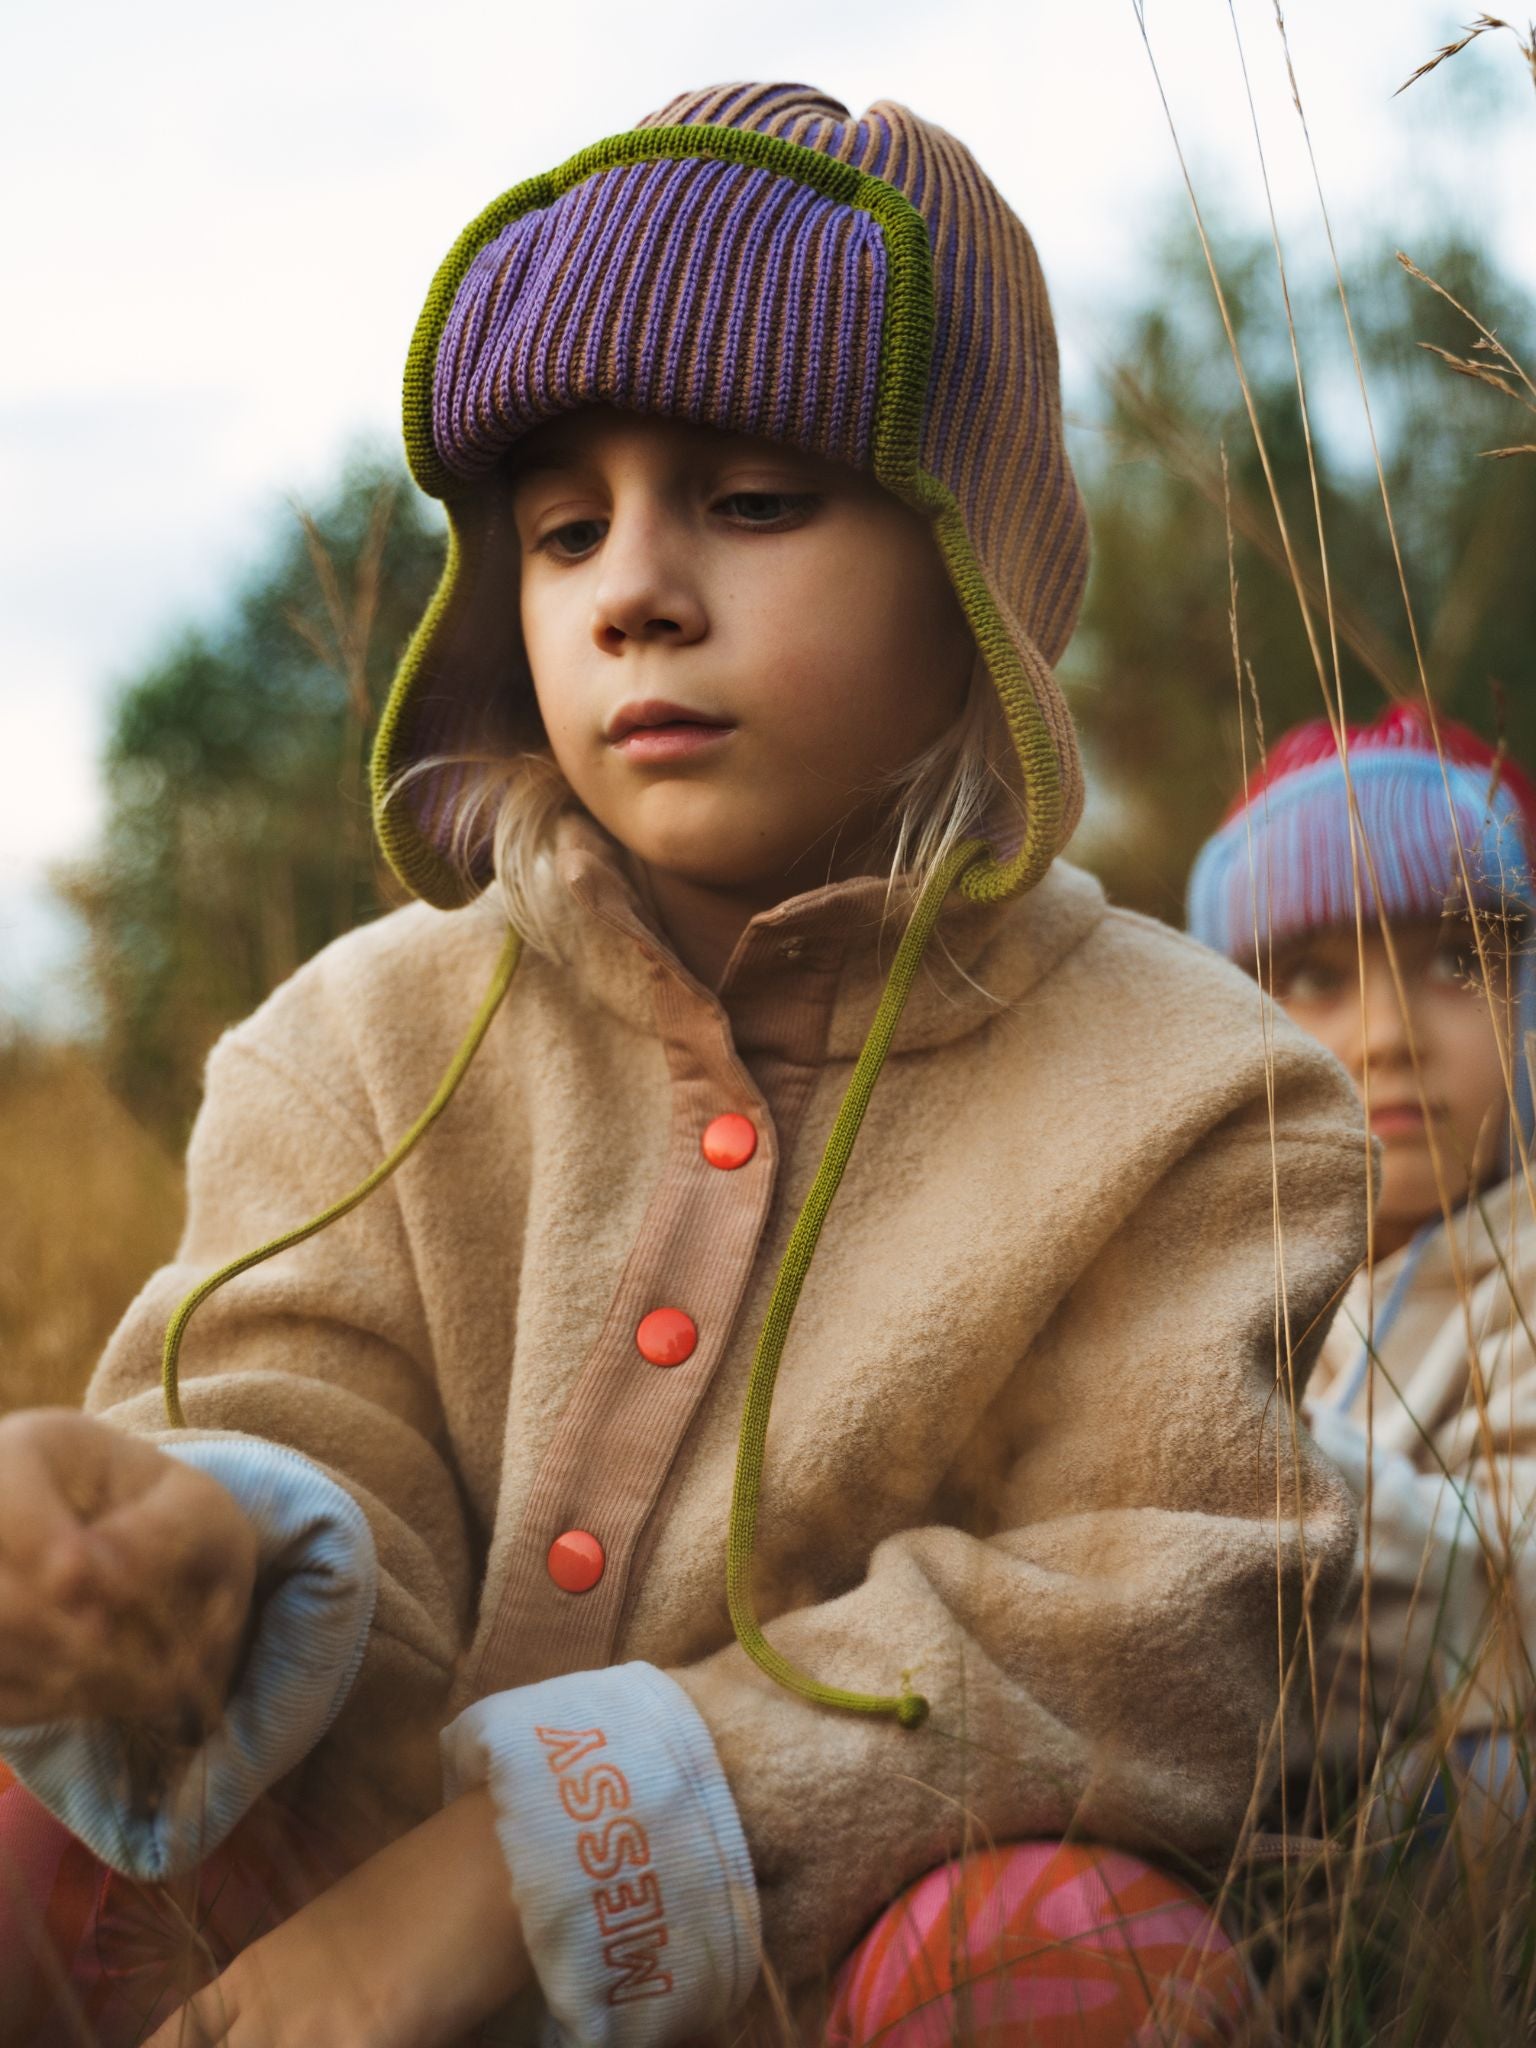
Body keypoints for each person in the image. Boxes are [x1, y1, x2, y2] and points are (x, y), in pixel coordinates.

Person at [0, 84, 1366, 2048]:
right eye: (564, 530)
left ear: (972, 577)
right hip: (308, 1954)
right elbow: (313, 1409)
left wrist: (533, 1865)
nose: (632, 583)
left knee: (1071, 1959)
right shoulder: (351, 1044)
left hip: (829, 1965)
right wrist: (195, 1545)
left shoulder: (1202, 1095)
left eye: (751, 500)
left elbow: (1160, 1630)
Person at [1187, 703, 1536, 1862]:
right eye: (1316, 976)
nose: (1390, 1035)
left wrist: (1234, 1447)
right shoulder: (1211, 1284)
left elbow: (1511, 1614)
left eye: (1458, 959)